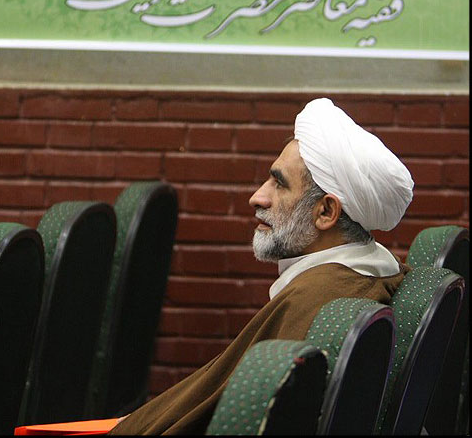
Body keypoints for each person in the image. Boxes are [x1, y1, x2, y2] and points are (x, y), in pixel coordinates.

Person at [110, 97, 414, 435]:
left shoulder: (313, 301)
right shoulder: (375, 270)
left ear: (326, 212)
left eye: (279, 183)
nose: (257, 197)